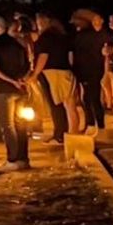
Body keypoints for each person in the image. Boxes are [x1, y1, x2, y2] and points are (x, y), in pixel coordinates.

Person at [0, 15, 31, 171]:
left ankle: (12, 159)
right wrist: (21, 80)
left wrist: (10, 81)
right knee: (20, 124)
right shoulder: (18, 44)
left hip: (2, 90)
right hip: (20, 89)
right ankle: (23, 158)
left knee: (7, 126)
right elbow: (28, 65)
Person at [28, 12, 79, 142]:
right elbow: (71, 56)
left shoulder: (45, 37)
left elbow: (43, 57)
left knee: (56, 105)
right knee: (70, 105)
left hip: (52, 73)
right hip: (66, 71)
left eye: (39, 22)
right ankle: (71, 133)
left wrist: (35, 74)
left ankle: (62, 135)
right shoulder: (62, 37)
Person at [71, 9, 108, 133]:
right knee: (93, 97)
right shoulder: (96, 34)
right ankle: (99, 123)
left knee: (89, 98)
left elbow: (79, 54)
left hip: (87, 70)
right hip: (95, 69)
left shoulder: (82, 36)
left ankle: (92, 123)